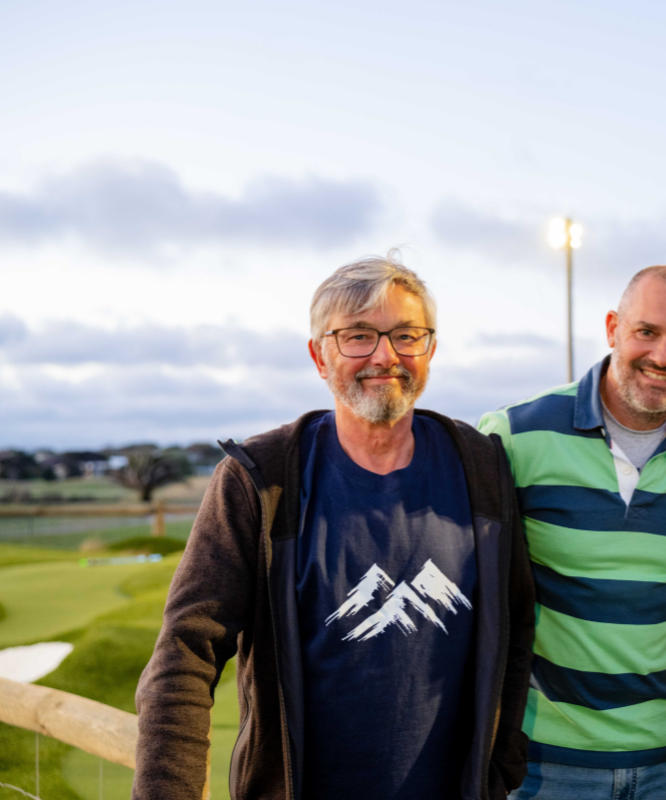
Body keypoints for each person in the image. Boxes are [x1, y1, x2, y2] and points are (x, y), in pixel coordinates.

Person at [133, 253, 535, 800]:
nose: (385, 355)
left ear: (431, 350)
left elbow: (514, 627)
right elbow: (185, 652)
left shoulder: (481, 468)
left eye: (406, 335)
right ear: (319, 356)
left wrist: (499, 766)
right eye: (358, 336)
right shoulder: (260, 480)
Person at [480, 266, 666, 800]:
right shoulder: (515, 435)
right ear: (612, 329)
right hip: (545, 759)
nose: (664, 356)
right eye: (646, 331)